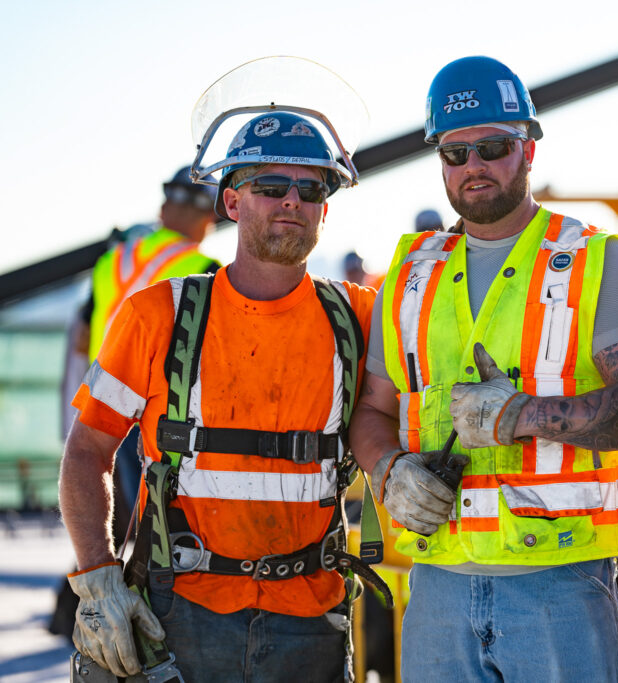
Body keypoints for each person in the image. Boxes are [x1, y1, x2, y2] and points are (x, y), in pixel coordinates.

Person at [59, 59, 378, 682]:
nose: (291, 200)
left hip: (310, 622)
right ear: (232, 200)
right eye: (269, 185)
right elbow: (87, 450)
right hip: (179, 615)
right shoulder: (158, 315)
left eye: (311, 188)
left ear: (325, 209)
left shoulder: (359, 317)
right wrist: (97, 580)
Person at [351, 55, 618, 682]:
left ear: (529, 149)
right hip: (437, 584)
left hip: (563, 585)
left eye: (492, 147)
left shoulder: (601, 261)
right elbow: (373, 410)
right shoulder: (409, 273)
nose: (473, 167)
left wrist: (523, 415)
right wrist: (388, 471)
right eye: (455, 154)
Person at [50, 168, 221, 642]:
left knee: (118, 511)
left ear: (165, 207)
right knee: (146, 516)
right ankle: (97, 616)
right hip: (157, 412)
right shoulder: (203, 265)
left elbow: (84, 333)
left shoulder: (115, 259)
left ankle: (73, 610)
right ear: (208, 217)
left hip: (104, 403)